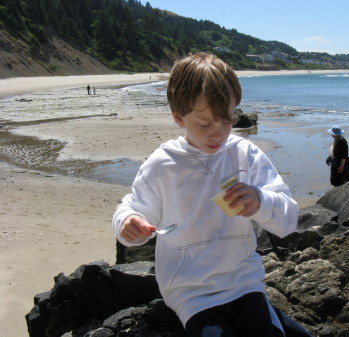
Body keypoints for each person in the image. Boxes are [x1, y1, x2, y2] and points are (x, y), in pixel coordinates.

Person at [112, 53, 312, 337]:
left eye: (227, 121)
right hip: (191, 291)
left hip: (244, 282)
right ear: (178, 117)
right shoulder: (162, 165)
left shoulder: (244, 155)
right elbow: (133, 209)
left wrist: (260, 201)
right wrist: (129, 224)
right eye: (204, 124)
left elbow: (289, 219)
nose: (218, 134)